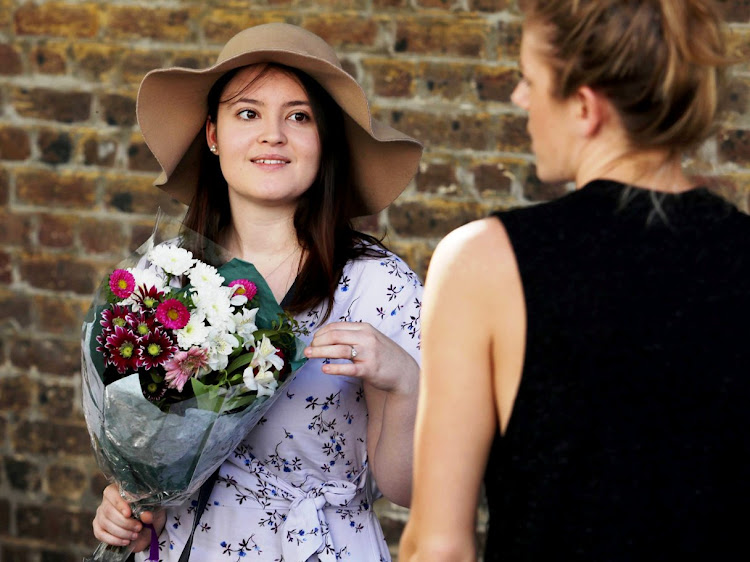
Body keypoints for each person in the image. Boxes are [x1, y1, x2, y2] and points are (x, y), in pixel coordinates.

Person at [400, 0, 750, 560]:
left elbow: (439, 548)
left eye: (528, 78)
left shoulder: (484, 263)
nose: (519, 97)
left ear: (585, 108)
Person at [92, 23, 424, 561]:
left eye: (299, 116)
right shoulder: (164, 278)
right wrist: (127, 498)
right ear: (213, 134)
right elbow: (143, 446)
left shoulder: (376, 285)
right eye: (248, 113)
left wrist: (406, 383)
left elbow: (410, 491)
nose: (273, 134)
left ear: (324, 140)